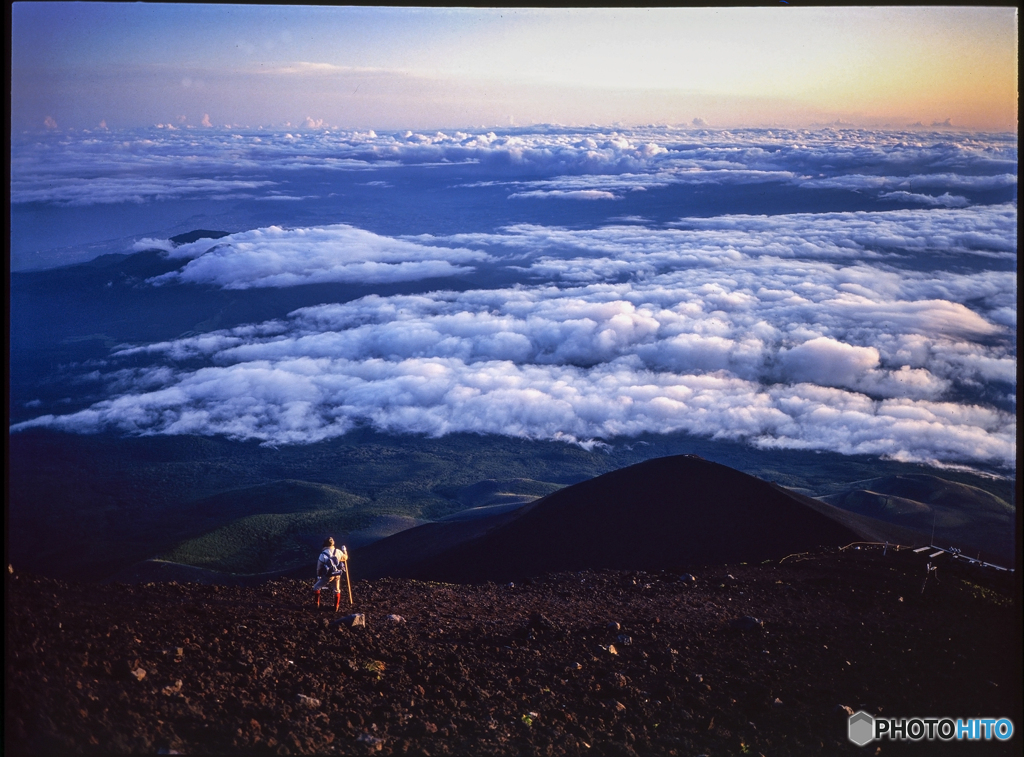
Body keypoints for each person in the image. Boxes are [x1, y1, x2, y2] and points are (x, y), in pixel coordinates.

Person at [313, 537, 347, 611]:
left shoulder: (323, 554)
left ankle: (316, 604)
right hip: (337, 573)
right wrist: (345, 551)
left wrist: (319, 575)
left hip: (328, 575)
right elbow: (345, 558)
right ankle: (336, 607)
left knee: (316, 587)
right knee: (336, 590)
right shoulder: (338, 551)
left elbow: (319, 567)